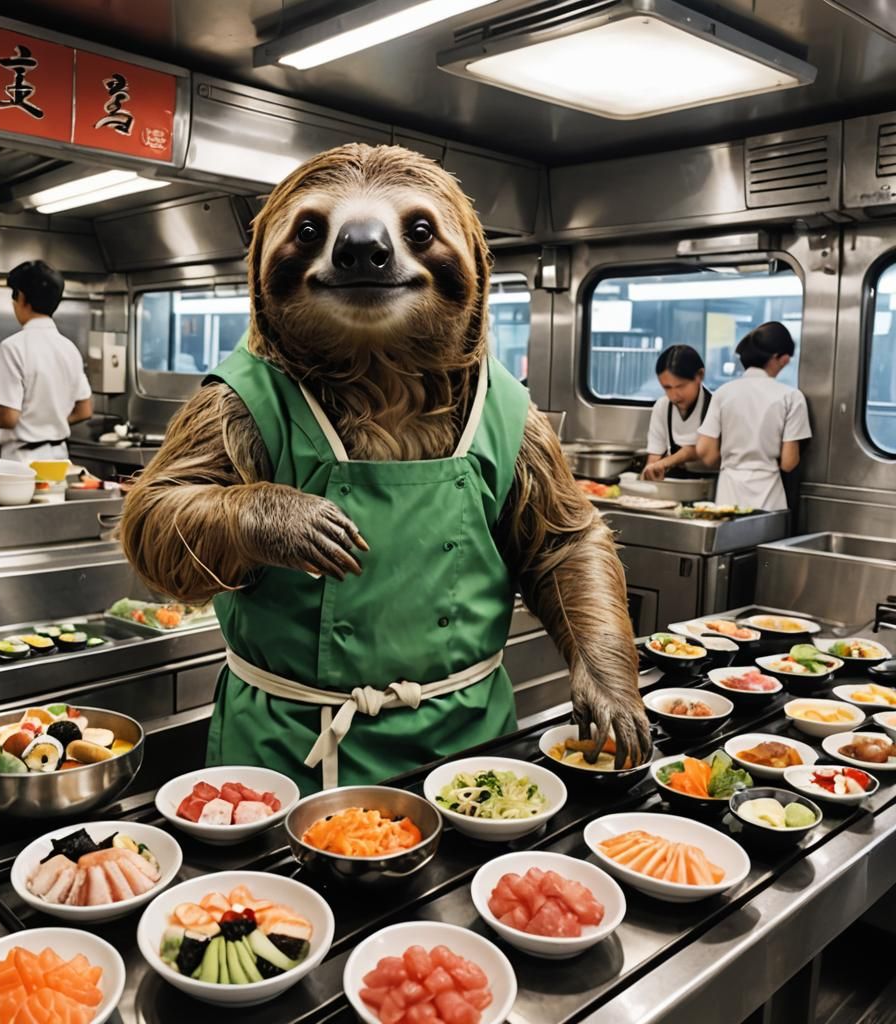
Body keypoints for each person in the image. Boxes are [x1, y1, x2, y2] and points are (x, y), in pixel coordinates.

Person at [119, 144, 650, 796]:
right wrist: (248, 515)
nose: (364, 248)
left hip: (468, 749)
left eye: (417, 231)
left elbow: (564, 544)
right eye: (313, 232)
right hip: (288, 753)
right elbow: (154, 523)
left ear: (475, 273)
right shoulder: (245, 400)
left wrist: (602, 662)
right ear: (262, 275)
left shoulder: (503, 409)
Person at [0, 260, 93, 463]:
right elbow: (84, 410)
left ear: (22, 298)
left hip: (23, 461)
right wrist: (48, 424)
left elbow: (8, 417)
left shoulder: (13, 347)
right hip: (60, 459)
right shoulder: (70, 349)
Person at [696, 322, 811, 511]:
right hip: (768, 496)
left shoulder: (723, 393)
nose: (787, 362)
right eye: (786, 357)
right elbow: (789, 462)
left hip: (728, 492)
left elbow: (705, 451)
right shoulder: (791, 397)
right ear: (776, 358)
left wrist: (730, 464)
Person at [641, 345, 713, 481]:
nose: (674, 395)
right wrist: (649, 473)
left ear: (700, 376)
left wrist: (666, 462)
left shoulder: (715, 406)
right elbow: (654, 457)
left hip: (708, 488)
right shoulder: (662, 407)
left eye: (681, 386)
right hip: (675, 485)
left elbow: (697, 451)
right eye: (667, 388)